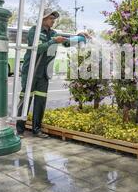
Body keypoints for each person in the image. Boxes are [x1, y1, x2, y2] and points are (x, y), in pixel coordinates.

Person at [16, 8, 89, 138]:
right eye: (50, 19)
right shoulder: (35, 31)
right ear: (43, 19)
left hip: (44, 73)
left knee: (40, 101)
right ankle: (19, 130)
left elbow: (66, 43)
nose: (53, 21)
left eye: (54, 19)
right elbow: (38, 49)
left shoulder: (54, 33)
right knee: (26, 99)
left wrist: (80, 37)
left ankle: (36, 130)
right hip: (31, 71)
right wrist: (53, 41)